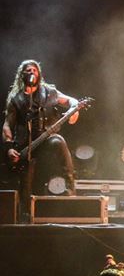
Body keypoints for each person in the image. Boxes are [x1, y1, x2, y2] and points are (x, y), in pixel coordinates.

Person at [2, 60, 81, 218]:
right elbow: (7, 125)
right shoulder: (16, 99)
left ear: (39, 74)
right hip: (25, 146)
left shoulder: (49, 92)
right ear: (22, 75)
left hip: (46, 140)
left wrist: (75, 109)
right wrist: (9, 147)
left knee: (58, 141)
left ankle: (70, 186)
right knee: (26, 184)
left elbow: (71, 101)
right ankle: (25, 216)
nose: (31, 72)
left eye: (34, 70)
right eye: (28, 70)